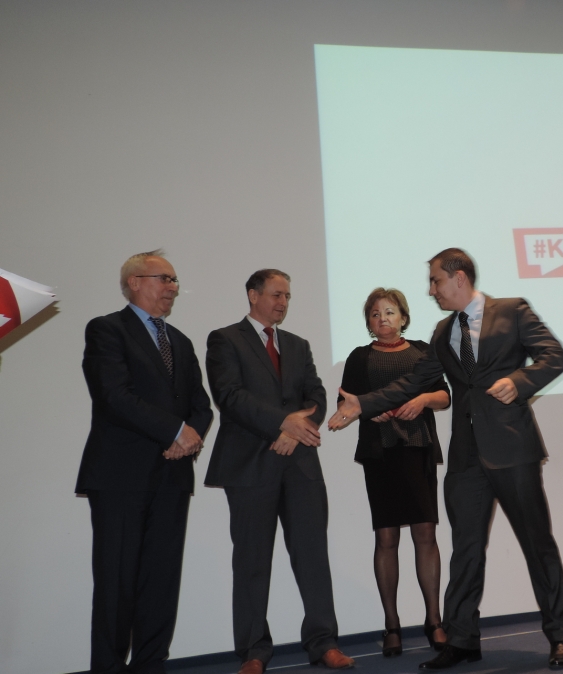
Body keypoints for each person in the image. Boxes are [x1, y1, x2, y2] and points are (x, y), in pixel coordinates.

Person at [329, 248, 563, 670]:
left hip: (512, 449)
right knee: (465, 550)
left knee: (537, 544)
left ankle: (562, 636)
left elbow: (555, 356)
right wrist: (364, 404)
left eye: (435, 281)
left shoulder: (512, 311)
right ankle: (462, 639)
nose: (431, 291)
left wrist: (520, 381)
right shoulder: (444, 332)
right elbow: (415, 380)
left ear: (458, 277)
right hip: (466, 458)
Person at [204, 269, 354, 674]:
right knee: (251, 561)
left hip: (300, 464)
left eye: (287, 295)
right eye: (276, 294)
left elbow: (316, 395)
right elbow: (229, 396)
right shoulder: (225, 339)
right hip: (250, 465)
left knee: (312, 556)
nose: (283, 302)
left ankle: (324, 643)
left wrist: (294, 430)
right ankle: (254, 652)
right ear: (253, 295)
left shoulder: (297, 344)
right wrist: (283, 424)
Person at [76, 250, 213, 674]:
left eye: (174, 280)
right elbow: (114, 396)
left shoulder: (180, 341)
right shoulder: (106, 329)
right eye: (164, 278)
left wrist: (187, 437)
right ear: (134, 282)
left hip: (172, 475)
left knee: (161, 581)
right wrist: (174, 432)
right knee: (117, 580)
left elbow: (201, 405)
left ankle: (151, 665)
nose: (173, 287)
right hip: (121, 476)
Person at [339, 288, 451, 657]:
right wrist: (371, 410)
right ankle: (391, 625)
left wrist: (422, 400)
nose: (382, 318)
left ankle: (434, 621)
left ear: (403, 317)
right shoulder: (360, 357)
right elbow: (346, 402)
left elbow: (444, 396)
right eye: (375, 314)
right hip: (380, 453)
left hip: (418, 449)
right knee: (386, 538)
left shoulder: (422, 351)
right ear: (368, 322)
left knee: (425, 533)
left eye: (389, 312)